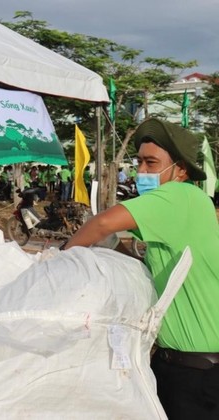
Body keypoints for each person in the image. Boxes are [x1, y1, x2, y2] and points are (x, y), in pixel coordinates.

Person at [62, 118, 219, 419]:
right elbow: (149, 269)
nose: (142, 172)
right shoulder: (175, 215)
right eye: (139, 163)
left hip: (199, 375)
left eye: (151, 163)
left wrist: (59, 259)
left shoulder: (181, 196)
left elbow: (102, 223)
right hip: (179, 367)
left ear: (181, 170)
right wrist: (112, 247)